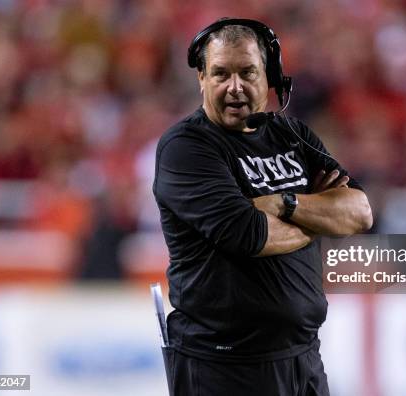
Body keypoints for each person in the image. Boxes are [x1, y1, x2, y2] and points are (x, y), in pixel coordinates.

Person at [153, 18, 372, 396]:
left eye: (247, 72)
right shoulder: (185, 148)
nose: (234, 87)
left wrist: (282, 202)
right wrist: (319, 214)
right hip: (223, 366)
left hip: (303, 359)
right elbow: (248, 233)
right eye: (220, 73)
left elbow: (359, 213)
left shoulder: (293, 134)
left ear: (269, 76)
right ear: (201, 78)